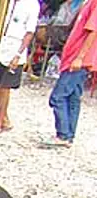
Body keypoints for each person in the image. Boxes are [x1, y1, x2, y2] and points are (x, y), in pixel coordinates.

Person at [43, 0, 97, 147]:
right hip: (75, 57)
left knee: (58, 97)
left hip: (78, 59)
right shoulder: (87, 3)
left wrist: (80, 57)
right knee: (73, 97)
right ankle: (68, 135)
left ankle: (63, 134)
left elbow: (93, 31)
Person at [0, 0, 37, 133]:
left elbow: (29, 32)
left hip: (15, 47)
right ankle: (5, 118)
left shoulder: (32, 4)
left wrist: (18, 54)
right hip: (0, 45)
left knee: (5, 87)